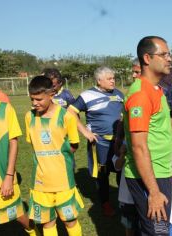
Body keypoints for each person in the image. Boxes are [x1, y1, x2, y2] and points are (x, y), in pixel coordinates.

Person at [123, 36, 172, 235]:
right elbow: (138, 146)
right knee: (157, 231)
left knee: (159, 230)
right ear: (147, 58)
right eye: (164, 54)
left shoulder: (156, 90)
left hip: (160, 171)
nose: (169, 59)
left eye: (169, 54)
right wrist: (153, 191)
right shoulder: (141, 95)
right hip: (150, 177)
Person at [25, 76, 83, 236]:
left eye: (39, 99)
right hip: (40, 183)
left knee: (70, 221)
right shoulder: (29, 117)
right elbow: (33, 144)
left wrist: (58, 158)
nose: (34, 103)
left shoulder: (66, 116)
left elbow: (74, 145)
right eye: (32, 99)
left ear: (51, 94)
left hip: (63, 182)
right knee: (47, 223)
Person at [68, 66, 124, 216]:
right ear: (99, 80)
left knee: (121, 170)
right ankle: (105, 203)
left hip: (118, 141)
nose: (113, 81)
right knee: (102, 173)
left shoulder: (119, 94)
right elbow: (70, 112)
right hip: (100, 143)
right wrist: (85, 131)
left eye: (113, 78)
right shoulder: (87, 95)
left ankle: (123, 200)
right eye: (109, 79)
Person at [0, 100, 38, 235]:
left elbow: (13, 143)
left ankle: (34, 232)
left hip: (2, 179)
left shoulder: (5, 109)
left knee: (20, 216)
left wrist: (9, 177)